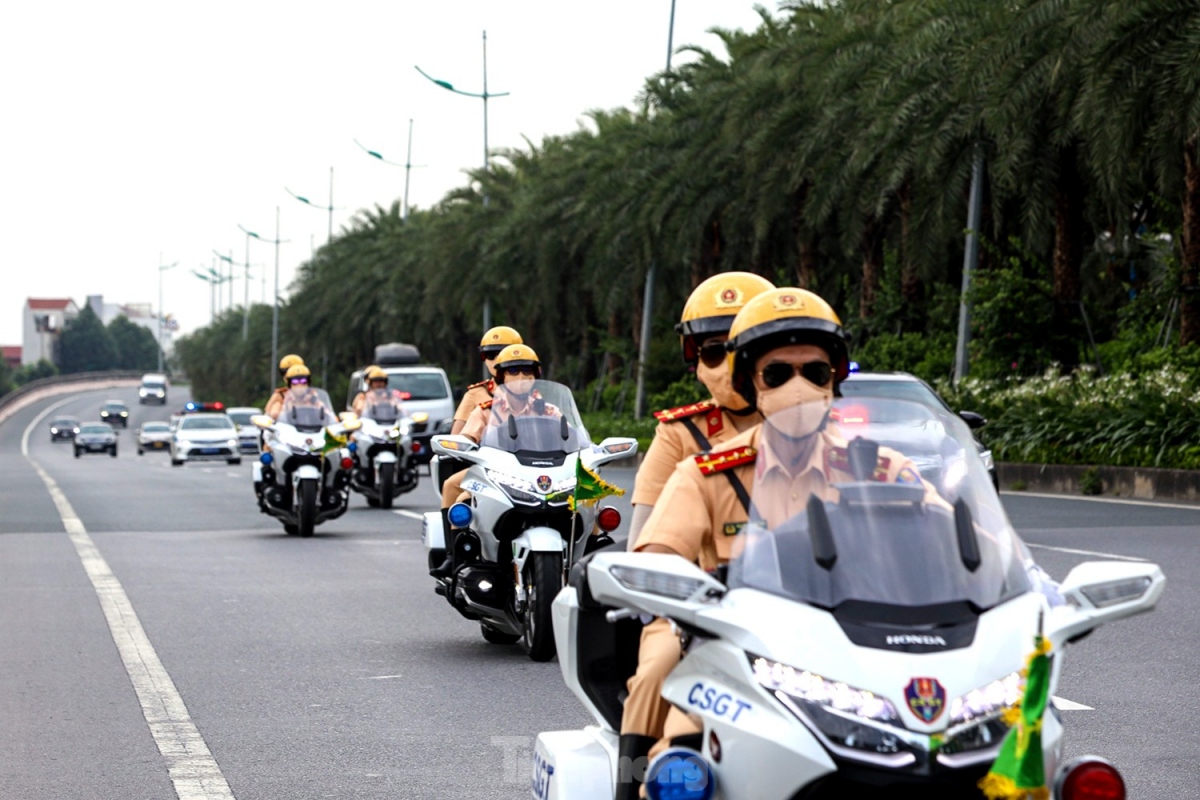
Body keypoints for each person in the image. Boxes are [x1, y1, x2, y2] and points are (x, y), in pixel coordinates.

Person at [626, 288, 935, 789]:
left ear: (833, 378)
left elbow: (962, 542)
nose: (798, 387)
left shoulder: (880, 470)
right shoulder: (701, 475)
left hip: (859, 649)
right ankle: (629, 778)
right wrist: (655, 583)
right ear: (752, 383)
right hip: (724, 650)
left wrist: (1031, 586)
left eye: (814, 372)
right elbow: (653, 560)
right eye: (778, 374)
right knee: (678, 760)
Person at [614, 273, 774, 796]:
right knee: (658, 666)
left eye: (745, 348)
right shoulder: (683, 436)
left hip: (808, 613)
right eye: (712, 351)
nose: (729, 365)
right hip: (701, 610)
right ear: (694, 358)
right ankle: (631, 781)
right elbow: (644, 543)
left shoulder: (829, 438)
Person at [430, 344, 554, 579]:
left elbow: (574, 439)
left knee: (588, 496)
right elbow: (464, 439)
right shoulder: (486, 411)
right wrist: (462, 446)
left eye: (527, 372)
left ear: (536, 376)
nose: (521, 378)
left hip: (541, 475)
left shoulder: (548, 410)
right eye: (514, 372)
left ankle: (592, 551)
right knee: (455, 491)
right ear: (501, 376)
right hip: (495, 475)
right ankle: (455, 555)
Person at [451, 326, 524, 435]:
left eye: (503, 353)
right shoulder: (475, 394)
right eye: (490, 355)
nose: (496, 360)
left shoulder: (531, 394)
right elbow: (456, 438)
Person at [265, 354, 305, 420]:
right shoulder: (280, 395)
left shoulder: (311, 395)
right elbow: (267, 415)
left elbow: (324, 413)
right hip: (285, 428)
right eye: (284, 372)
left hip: (309, 428)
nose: (287, 375)